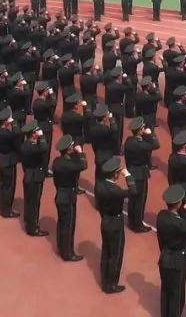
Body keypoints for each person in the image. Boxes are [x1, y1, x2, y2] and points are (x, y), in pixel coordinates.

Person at [157, 184, 186, 317]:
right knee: (176, 295)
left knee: (166, 291)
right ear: (178, 203)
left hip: (164, 257)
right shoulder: (179, 224)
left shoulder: (161, 216)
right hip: (177, 261)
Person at [95, 156, 136, 294]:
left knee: (106, 251)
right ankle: (111, 284)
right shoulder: (115, 190)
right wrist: (128, 176)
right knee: (115, 255)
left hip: (105, 220)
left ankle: (105, 279)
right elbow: (133, 192)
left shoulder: (99, 185)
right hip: (115, 223)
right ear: (115, 174)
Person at [52, 134, 88, 261]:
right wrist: (81, 153)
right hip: (68, 196)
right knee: (69, 225)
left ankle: (62, 248)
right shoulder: (68, 165)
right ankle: (68, 253)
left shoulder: (57, 162)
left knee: (62, 223)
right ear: (68, 149)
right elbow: (83, 165)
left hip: (60, 194)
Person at [123, 117, 159, 232]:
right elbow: (156, 144)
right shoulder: (139, 144)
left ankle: (132, 221)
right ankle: (137, 225)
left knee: (133, 199)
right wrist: (149, 134)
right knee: (139, 200)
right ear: (140, 130)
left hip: (131, 170)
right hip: (139, 173)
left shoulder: (129, 141)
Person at [20, 120, 50, 237]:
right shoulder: (30, 146)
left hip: (29, 175)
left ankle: (29, 223)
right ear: (33, 134)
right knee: (34, 203)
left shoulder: (26, 144)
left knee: (29, 201)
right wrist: (41, 136)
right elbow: (44, 148)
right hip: (34, 177)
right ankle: (33, 228)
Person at [0, 107, 22, 218]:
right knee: (9, 187)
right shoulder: (6, 134)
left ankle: (3, 208)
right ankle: (7, 210)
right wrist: (14, 124)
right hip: (9, 162)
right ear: (5, 121)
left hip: (1, 159)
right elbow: (18, 134)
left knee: (3, 186)